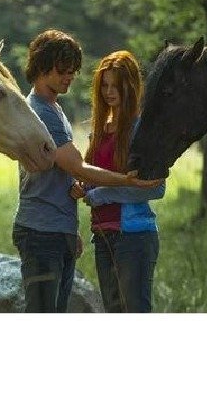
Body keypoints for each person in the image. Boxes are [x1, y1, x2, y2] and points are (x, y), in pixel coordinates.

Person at [12, 30, 162, 313]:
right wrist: (116, 183)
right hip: (52, 232)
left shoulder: (57, 110)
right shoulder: (45, 114)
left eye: (73, 71)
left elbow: (154, 186)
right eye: (63, 70)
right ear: (43, 67)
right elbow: (79, 168)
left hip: (117, 234)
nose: (69, 76)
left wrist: (74, 222)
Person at [70, 50, 164, 312]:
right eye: (104, 86)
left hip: (133, 237)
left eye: (116, 86)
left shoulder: (142, 130)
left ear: (130, 86)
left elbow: (157, 187)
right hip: (102, 235)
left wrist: (101, 195)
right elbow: (95, 178)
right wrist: (83, 187)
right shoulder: (100, 130)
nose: (109, 92)